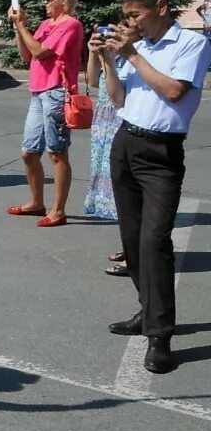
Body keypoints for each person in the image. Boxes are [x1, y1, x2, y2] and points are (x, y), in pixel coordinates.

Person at [95, 0, 211, 374]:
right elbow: (118, 98)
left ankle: (160, 335)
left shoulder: (192, 45)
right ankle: (147, 312)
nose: (131, 23)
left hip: (161, 152)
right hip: (126, 142)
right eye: (126, 16)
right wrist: (109, 61)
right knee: (131, 240)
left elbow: (174, 92)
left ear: (160, 6)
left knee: (154, 239)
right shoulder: (136, 47)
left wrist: (130, 56)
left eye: (135, 14)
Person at [7, 0, 84, 228]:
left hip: (57, 93)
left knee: (56, 153)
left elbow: (41, 52)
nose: (46, 2)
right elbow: (26, 55)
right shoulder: (45, 25)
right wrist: (20, 28)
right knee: (28, 152)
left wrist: (21, 26)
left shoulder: (71, 25)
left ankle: (58, 210)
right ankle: (36, 202)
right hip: (39, 93)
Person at [85, 15, 126, 276]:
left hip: (120, 120)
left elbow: (118, 93)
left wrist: (113, 57)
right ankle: (130, 245)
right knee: (114, 186)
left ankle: (135, 253)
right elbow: (91, 81)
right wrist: (94, 54)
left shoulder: (131, 56)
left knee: (122, 186)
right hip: (103, 121)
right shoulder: (108, 54)